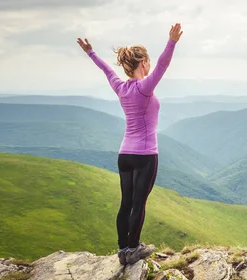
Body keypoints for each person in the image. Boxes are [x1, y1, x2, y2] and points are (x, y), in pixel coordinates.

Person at [76, 23, 183, 265]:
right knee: (138, 204)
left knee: (126, 203)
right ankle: (134, 248)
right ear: (143, 63)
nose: (151, 65)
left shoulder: (120, 87)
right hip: (145, 156)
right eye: (148, 61)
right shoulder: (145, 88)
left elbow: (106, 70)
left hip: (124, 154)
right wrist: (172, 42)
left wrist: (90, 52)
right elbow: (164, 65)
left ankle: (123, 248)